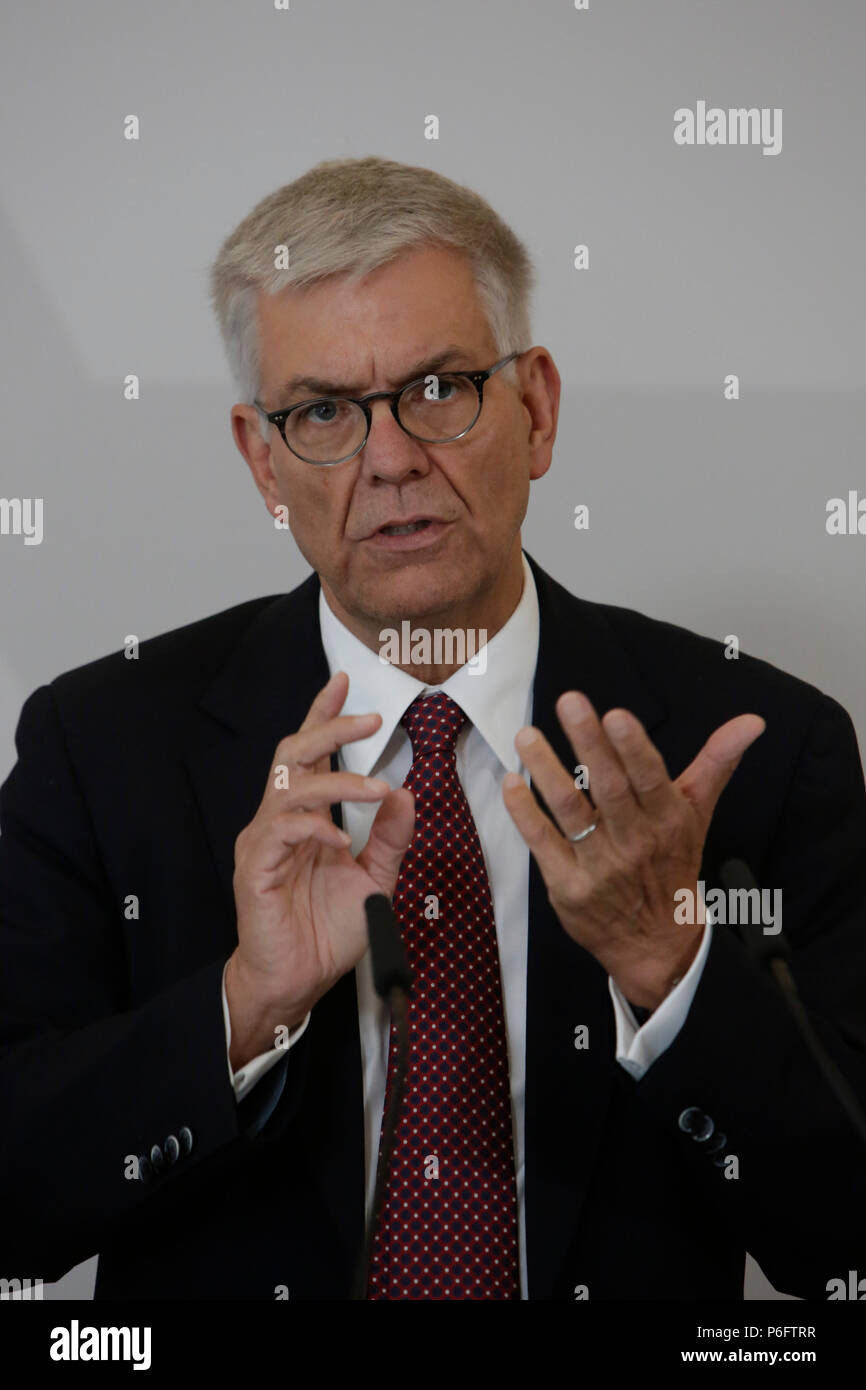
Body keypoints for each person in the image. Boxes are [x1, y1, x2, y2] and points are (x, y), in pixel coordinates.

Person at [1, 156, 864, 1301]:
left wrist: (671, 967)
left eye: (440, 387)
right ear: (262, 460)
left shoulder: (754, 748)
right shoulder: (100, 744)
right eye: (320, 413)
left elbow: (849, 1247)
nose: (392, 458)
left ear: (535, 407)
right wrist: (241, 1007)